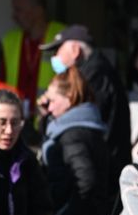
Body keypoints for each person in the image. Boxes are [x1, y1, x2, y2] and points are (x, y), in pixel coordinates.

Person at [37, 66, 112, 215]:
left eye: (53, 101)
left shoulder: (71, 134)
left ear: (70, 98)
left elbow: (86, 181)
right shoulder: (89, 127)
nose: (50, 107)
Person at [40, 25, 132, 171]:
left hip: (103, 171)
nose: (54, 58)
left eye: (57, 51)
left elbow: (84, 125)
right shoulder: (96, 72)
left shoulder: (94, 77)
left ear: (76, 50)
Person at [3, 0, 66, 108]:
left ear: (38, 10)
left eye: (19, 10)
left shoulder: (61, 36)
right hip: (15, 115)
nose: (14, 16)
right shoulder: (10, 39)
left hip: (50, 114)